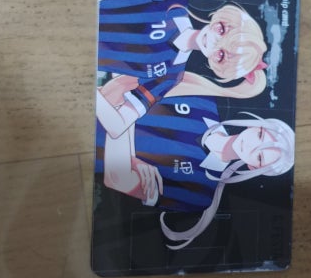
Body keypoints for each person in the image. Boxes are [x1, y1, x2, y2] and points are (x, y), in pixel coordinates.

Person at [96, 0, 268, 134]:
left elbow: (118, 126)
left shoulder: (170, 76)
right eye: (222, 30)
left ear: (218, 66)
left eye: (221, 55)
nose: (214, 41)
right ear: (221, 18)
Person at [95, 95, 295, 249]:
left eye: (259, 157)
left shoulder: (200, 194)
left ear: (253, 168)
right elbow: (124, 90)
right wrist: (127, 154)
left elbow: (117, 178)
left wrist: (120, 120)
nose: (250, 145)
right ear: (254, 125)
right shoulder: (204, 102)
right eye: (259, 135)